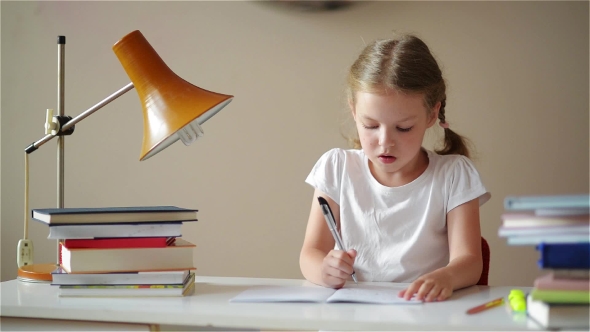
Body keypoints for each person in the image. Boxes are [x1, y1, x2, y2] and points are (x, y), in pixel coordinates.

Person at [300, 34, 491, 302]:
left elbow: (471, 261)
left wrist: (446, 276)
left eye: (403, 128)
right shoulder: (336, 168)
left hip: (423, 315)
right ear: (353, 110)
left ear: (432, 115)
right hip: (351, 317)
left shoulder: (454, 175)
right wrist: (324, 270)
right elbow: (310, 253)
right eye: (370, 125)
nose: (385, 142)